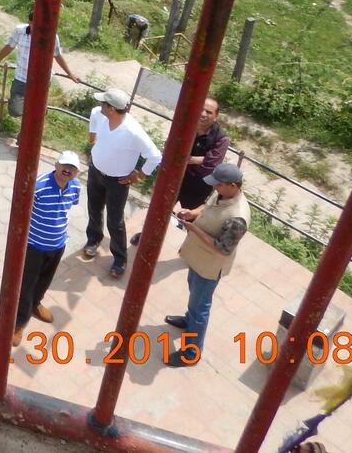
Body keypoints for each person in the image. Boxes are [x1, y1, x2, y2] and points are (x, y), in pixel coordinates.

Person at [164, 162, 250, 367]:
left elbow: (223, 248)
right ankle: (188, 321)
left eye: (218, 185)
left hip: (210, 266)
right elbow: (208, 205)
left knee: (200, 308)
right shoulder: (222, 194)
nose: (215, 188)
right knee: (194, 294)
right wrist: (192, 213)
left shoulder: (237, 218)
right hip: (198, 258)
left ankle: (191, 353)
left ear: (233, 185)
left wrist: (194, 230)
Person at [82, 88, 162, 279]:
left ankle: (120, 258)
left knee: (115, 220)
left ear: (111, 108)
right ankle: (93, 239)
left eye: (104, 103)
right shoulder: (99, 115)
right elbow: (93, 115)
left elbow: (155, 156)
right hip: (96, 171)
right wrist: (92, 136)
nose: (99, 105)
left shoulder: (133, 132)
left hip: (117, 181)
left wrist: (140, 175)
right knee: (94, 208)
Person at [131, 98, 229, 246]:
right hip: (176, 176)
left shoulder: (221, 138)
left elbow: (211, 163)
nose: (203, 114)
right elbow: (170, 144)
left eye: (208, 112)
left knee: (193, 217)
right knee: (160, 208)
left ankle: (192, 246)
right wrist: (195, 159)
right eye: (201, 109)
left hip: (199, 184)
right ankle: (146, 235)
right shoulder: (186, 125)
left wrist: (185, 158)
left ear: (216, 116)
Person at [12, 150, 84, 346]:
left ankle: (36, 304)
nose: (67, 170)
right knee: (26, 285)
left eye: (72, 168)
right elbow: (22, 211)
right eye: (64, 165)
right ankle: (19, 323)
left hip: (58, 244)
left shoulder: (76, 187)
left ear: (77, 172)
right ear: (56, 164)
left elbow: (68, 208)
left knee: (44, 280)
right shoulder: (39, 186)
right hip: (34, 245)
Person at [0, 21, 77, 117]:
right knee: (15, 110)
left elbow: (57, 55)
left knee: (39, 112)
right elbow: (9, 47)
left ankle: (26, 131)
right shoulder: (20, 31)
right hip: (21, 78)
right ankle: (25, 125)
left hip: (41, 81)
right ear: (29, 22)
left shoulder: (51, 36)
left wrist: (70, 74)